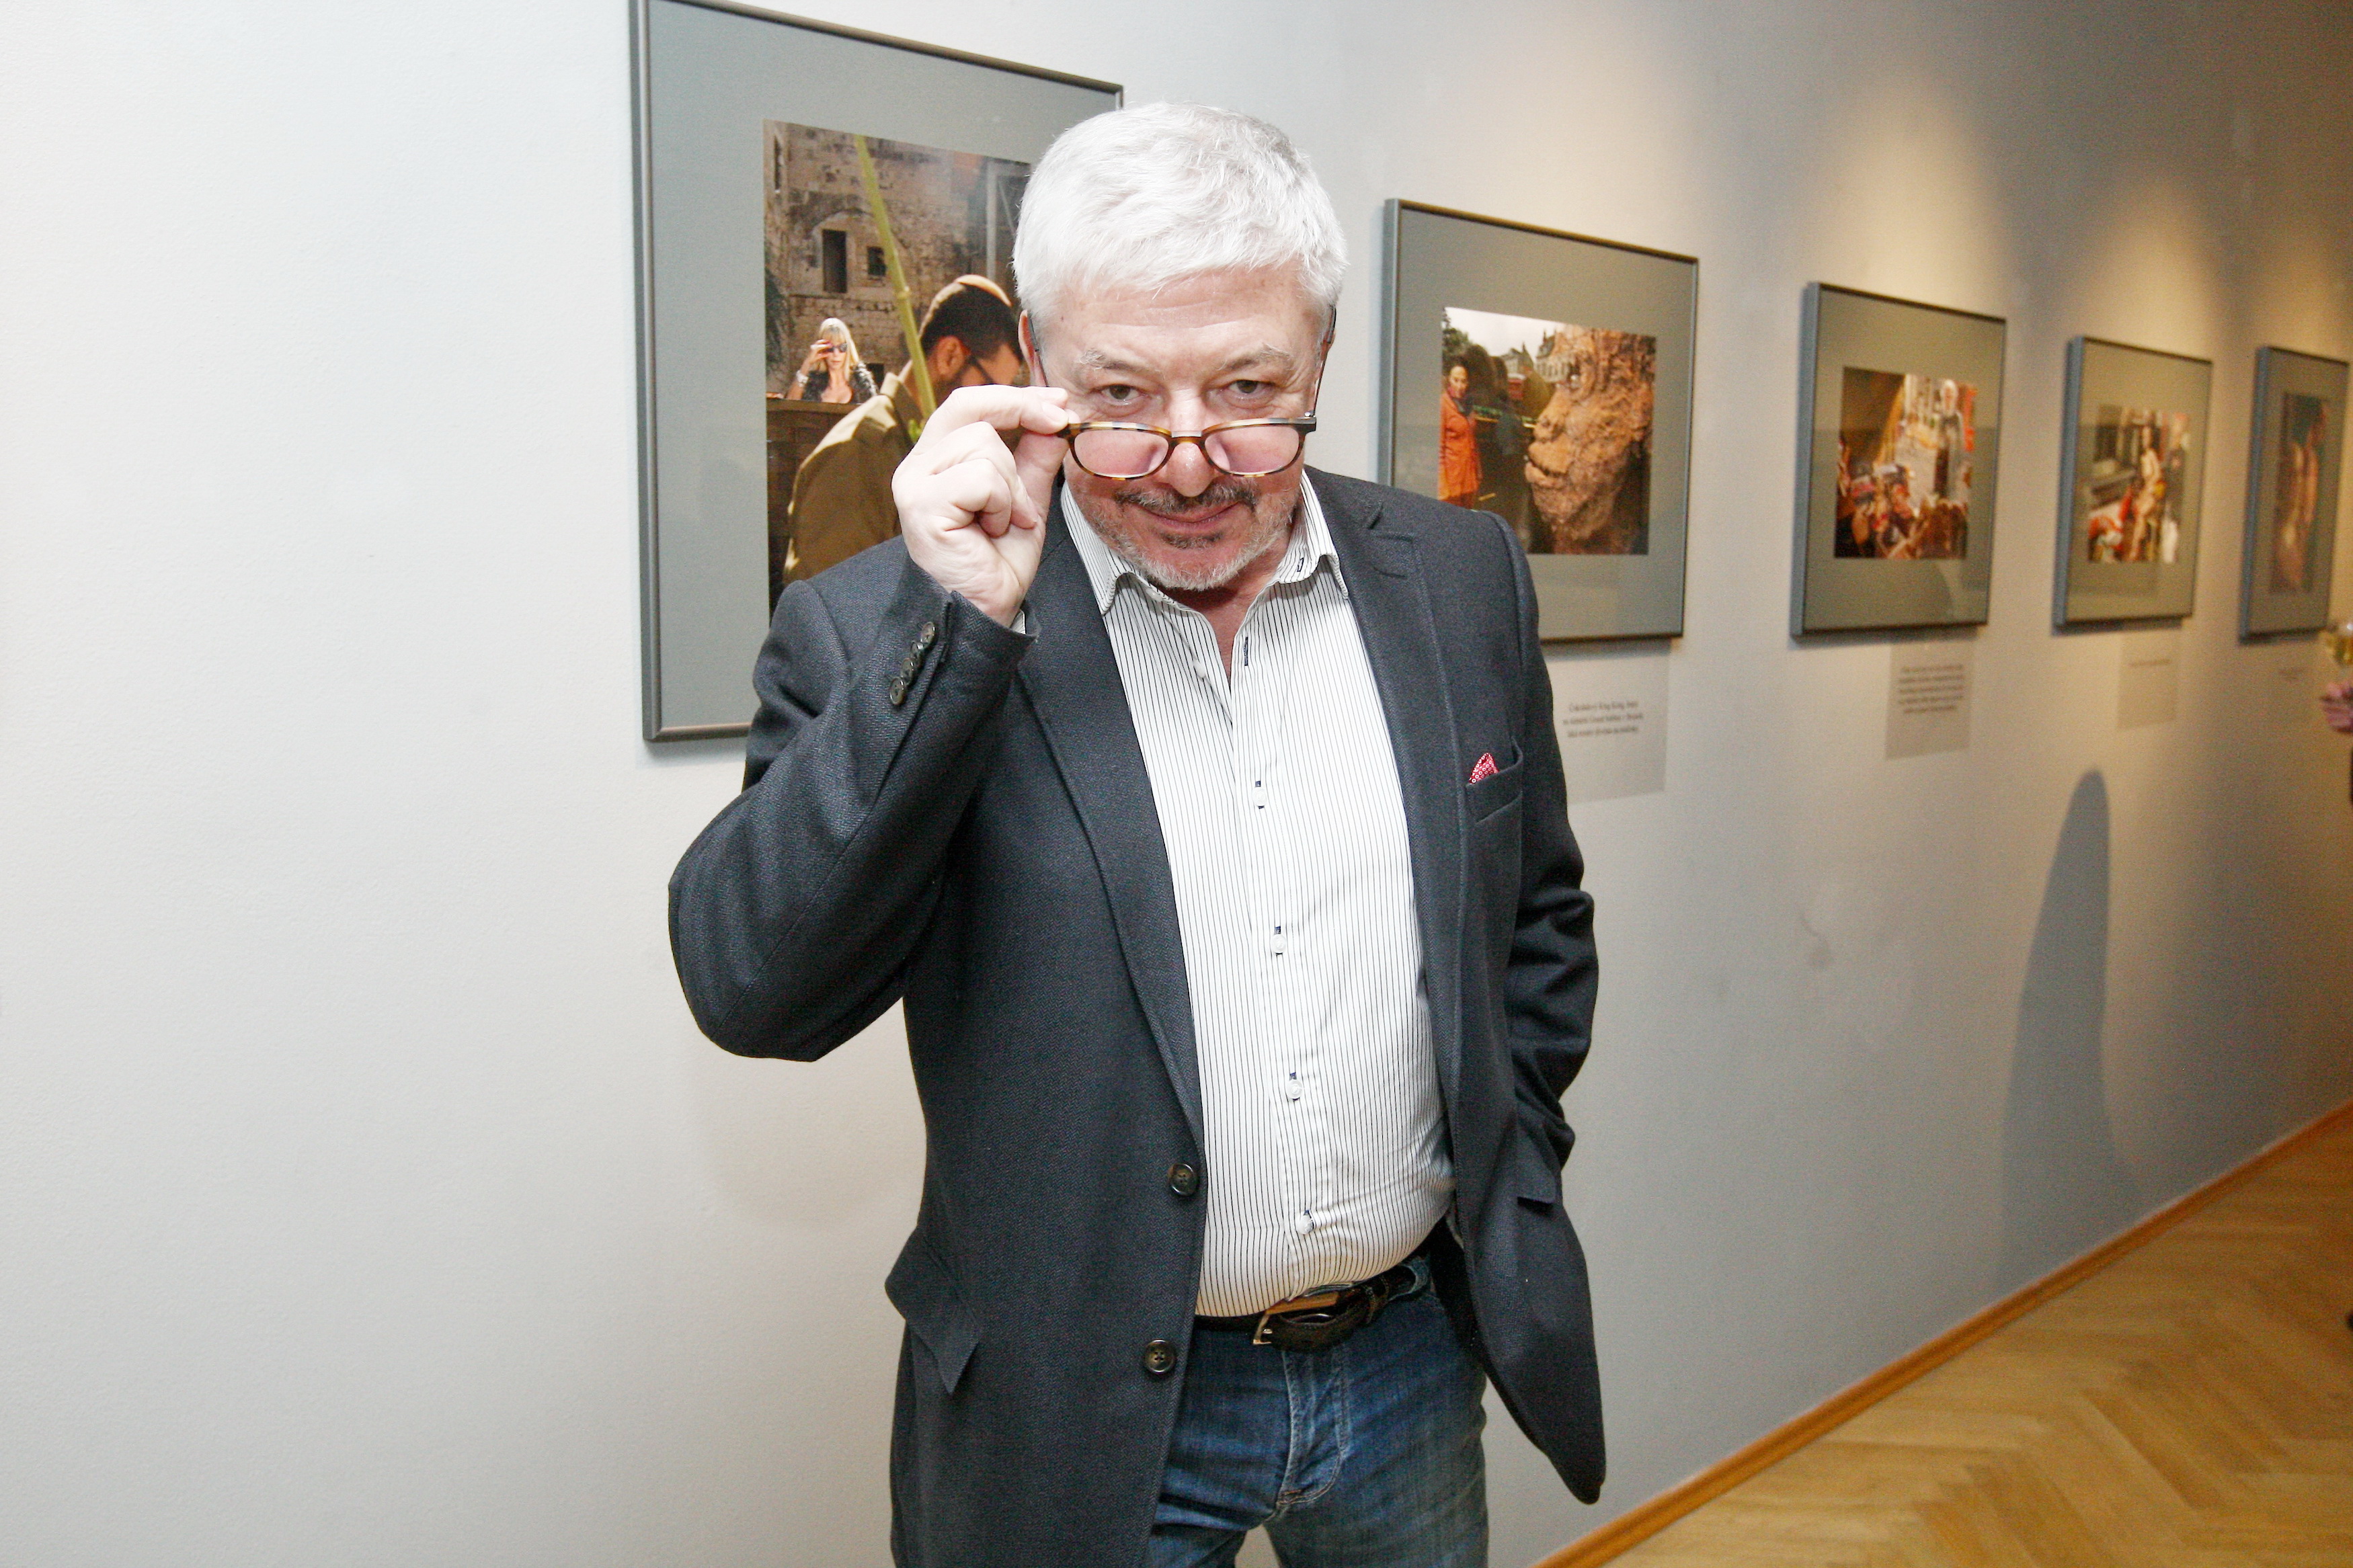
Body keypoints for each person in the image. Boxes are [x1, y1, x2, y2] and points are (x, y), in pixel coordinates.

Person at [670, 102, 1601, 1567]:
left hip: (1409, 1360)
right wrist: (953, 628)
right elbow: (751, 986)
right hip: (1080, 1406)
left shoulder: (1459, 574)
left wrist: (1506, 1154)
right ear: (1037, 369)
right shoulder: (884, 621)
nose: (1184, 461)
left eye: (1247, 388)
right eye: (1118, 394)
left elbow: (1535, 913)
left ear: (1320, 358)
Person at [781, 276, 1026, 582]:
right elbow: (835, 600)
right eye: (989, 387)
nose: (992, 411)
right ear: (950, 356)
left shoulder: (929, 449)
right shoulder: (861, 455)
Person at [789, 316, 877, 404]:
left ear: (849, 349)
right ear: (821, 349)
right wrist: (807, 364)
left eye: (842, 347)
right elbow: (790, 406)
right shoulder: (812, 384)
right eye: (830, 348)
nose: (836, 354)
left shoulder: (862, 384)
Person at [1439, 358, 1481, 506]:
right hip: (1451, 482)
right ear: (1448, 380)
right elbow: (1439, 449)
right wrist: (1443, 487)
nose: (1460, 386)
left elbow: (1472, 442)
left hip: (1468, 479)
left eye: (1463, 381)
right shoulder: (1443, 405)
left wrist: (1478, 472)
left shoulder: (1468, 406)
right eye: (1456, 380)